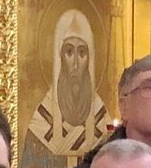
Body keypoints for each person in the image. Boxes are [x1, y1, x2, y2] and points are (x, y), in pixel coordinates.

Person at [27, 9, 113, 158]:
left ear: (90, 59)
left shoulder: (101, 118)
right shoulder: (42, 121)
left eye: (82, 53)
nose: (75, 64)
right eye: (69, 52)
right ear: (60, 57)